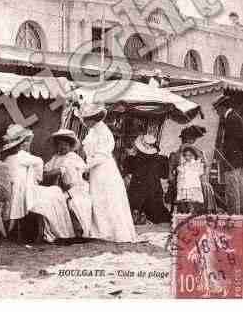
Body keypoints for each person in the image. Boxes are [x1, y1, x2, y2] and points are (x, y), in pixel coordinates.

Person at [0, 124, 75, 243]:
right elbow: (39, 165)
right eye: (26, 143)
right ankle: (57, 231)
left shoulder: (7, 159)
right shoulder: (24, 157)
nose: (27, 145)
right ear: (21, 144)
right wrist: (37, 178)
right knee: (55, 192)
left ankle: (47, 231)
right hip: (24, 193)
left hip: (14, 193)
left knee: (54, 192)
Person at [75, 103, 137, 243]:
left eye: (86, 119)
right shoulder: (93, 131)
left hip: (104, 167)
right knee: (97, 196)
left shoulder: (103, 131)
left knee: (106, 196)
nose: (84, 122)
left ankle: (111, 231)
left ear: (93, 118)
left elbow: (102, 154)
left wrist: (85, 166)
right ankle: (100, 229)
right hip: (95, 168)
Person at [43, 129, 92, 238]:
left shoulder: (72, 157)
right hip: (64, 187)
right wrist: (44, 174)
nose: (62, 147)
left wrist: (48, 174)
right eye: (59, 144)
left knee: (71, 202)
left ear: (70, 146)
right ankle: (60, 230)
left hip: (78, 187)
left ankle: (78, 230)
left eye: (65, 145)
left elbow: (60, 170)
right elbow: (46, 170)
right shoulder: (55, 157)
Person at [168, 125, 216, 214]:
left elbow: (202, 167)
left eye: (192, 139)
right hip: (182, 181)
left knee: (205, 186)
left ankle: (201, 212)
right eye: (188, 139)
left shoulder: (197, 152)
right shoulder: (176, 154)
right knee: (200, 186)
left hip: (193, 179)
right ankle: (193, 212)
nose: (191, 141)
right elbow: (170, 172)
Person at [124, 134, 171, 224]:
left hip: (137, 192)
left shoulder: (133, 159)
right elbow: (164, 176)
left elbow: (128, 174)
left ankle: (137, 216)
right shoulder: (161, 160)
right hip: (153, 190)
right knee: (157, 212)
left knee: (134, 206)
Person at [213, 95, 243, 214]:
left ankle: (234, 217)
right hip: (236, 160)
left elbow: (236, 141)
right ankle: (238, 216)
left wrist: (227, 157)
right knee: (238, 189)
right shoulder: (233, 117)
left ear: (222, 108)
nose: (217, 113)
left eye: (217, 110)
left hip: (232, 161)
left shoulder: (231, 119)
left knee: (232, 190)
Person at [175, 146, 205, 214]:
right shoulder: (182, 166)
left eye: (189, 155)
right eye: (185, 155)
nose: (187, 157)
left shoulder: (197, 164)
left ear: (193, 155)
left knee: (193, 202)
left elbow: (200, 173)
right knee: (185, 202)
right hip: (184, 185)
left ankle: (192, 214)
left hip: (193, 185)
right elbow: (180, 177)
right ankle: (186, 215)